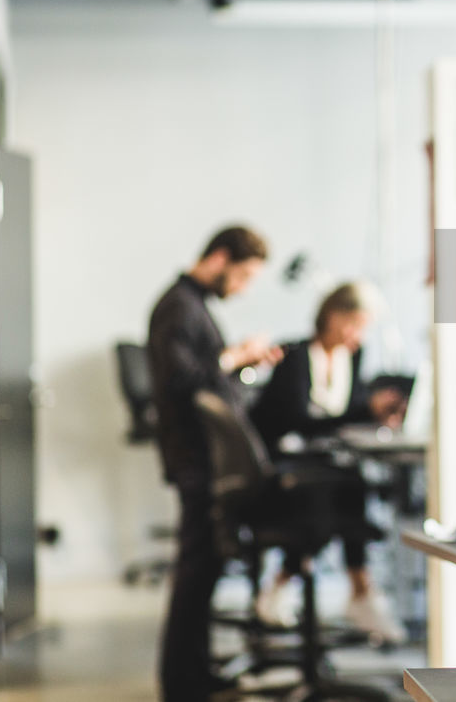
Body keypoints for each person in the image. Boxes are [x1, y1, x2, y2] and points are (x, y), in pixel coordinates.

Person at [148, 225, 284, 702]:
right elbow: (182, 382)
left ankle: (197, 674)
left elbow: (211, 380)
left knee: (204, 573)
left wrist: (245, 365)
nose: (242, 287)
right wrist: (233, 356)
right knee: (193, 572)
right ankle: (180, 684)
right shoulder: (177, 307)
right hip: (195, 458)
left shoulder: (195, 306)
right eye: (243, 275)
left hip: (205, 456)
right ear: (220, 258)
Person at [249, 282, 409, 643]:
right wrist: (364, 409)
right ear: (334, 318)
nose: (359, 334)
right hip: (278, 466)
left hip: (321, 464)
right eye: (356, 323)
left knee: (350, 482)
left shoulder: (352, 357)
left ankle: (343, 589)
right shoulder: (295, 357)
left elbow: (344, 414)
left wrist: (374, 411)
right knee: (338, 491)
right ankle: (348, 590)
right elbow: (299, 420)